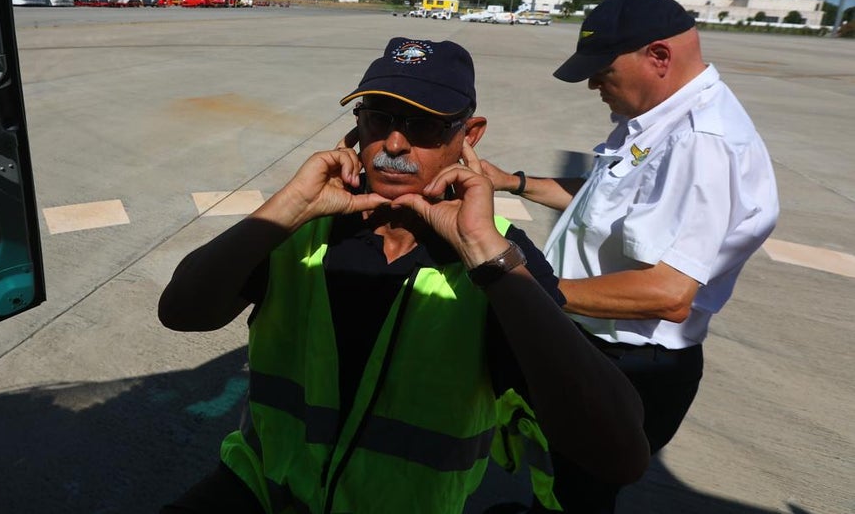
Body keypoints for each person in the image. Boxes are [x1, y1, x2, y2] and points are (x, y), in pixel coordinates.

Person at [158, 37, 649, 513]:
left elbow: (617, 454)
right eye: (379, 119)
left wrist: (483, 250)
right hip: (263, 488)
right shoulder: (301, 230)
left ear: (469, 135)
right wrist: (288, 207)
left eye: (425, 126)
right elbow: (181, 312)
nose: (394, 142)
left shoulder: (500, 257)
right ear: (356, 128)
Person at [480, 0, 780, 512]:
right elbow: (606, 198)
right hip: (600, 346)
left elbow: (668, 294)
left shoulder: (700, 142)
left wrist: (528, 294)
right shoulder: (660, 119)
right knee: (556, 476)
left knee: (578, 492)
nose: (594, 83)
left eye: (602, 69)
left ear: (658, 57)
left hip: (628, 363)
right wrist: (515, 181)